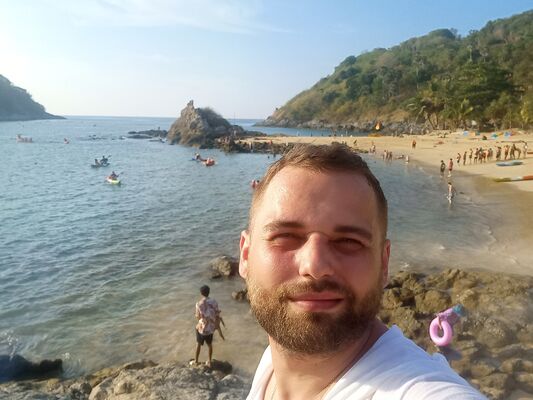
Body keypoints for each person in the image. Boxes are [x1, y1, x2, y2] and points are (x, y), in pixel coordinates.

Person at [239, 144, 485, 400]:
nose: (314, 266)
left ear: (384, 263)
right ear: (245, 255)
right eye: (285, 236)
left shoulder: (422, 391)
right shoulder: (271, 363)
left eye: (349, 241)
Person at [194, 285, 221, 367]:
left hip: (202, 329)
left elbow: (198, 317)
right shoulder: (214, 302)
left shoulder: (198, 304)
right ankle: (209, 360)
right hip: (210, 328)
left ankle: (196, 361)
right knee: (210, 345)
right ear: (209, 292)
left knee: (198, 344)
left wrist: (196, 315)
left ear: (201, 293)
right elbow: (217, 313)